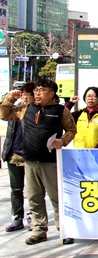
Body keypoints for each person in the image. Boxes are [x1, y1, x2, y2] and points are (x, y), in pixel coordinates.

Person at [0, 79, 77, 245]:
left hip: (50, 161)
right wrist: (10, 98)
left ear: (52, 93)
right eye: (36, 90)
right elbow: (4, 114)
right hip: (30, 160)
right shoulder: (26, 108)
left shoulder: (60, 111)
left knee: (56, 197)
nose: (37, 93)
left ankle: (63, 229)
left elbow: (71, 129)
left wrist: (62, 141)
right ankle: (38, 230)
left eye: (42, 90)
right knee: (34, 198)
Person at [1, 82, 35, 233]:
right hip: (14, 154)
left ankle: (33, 217)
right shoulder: (17, 109)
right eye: (24, 93)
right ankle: (17, 218)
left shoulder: (38, 110)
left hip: (31, 156)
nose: (26, 97)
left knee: (33, 190)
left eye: (29, 94)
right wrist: (10, 98)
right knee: (16, 189)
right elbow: (3, 114)